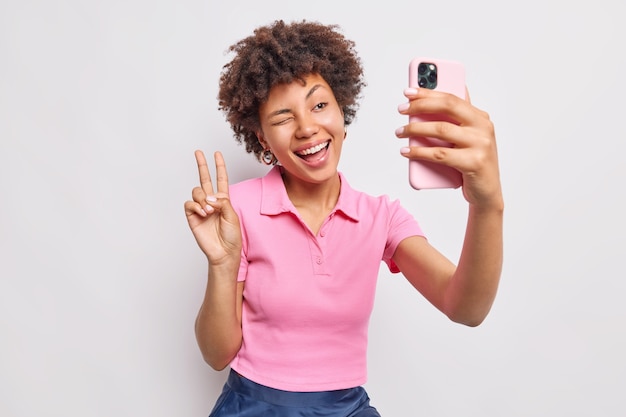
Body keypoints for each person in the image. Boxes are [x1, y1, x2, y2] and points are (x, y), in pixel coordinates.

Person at [184, 19, 503, 417]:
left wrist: (488, 205)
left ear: (342, 110)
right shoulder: (238, 209)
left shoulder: (381, 217)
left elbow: (466, 308)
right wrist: (222, 264)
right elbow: (217, 355)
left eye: (319, 105)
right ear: (263, 139)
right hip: (252, 407)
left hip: (346, 408)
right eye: (283, 117)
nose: (307, 128)